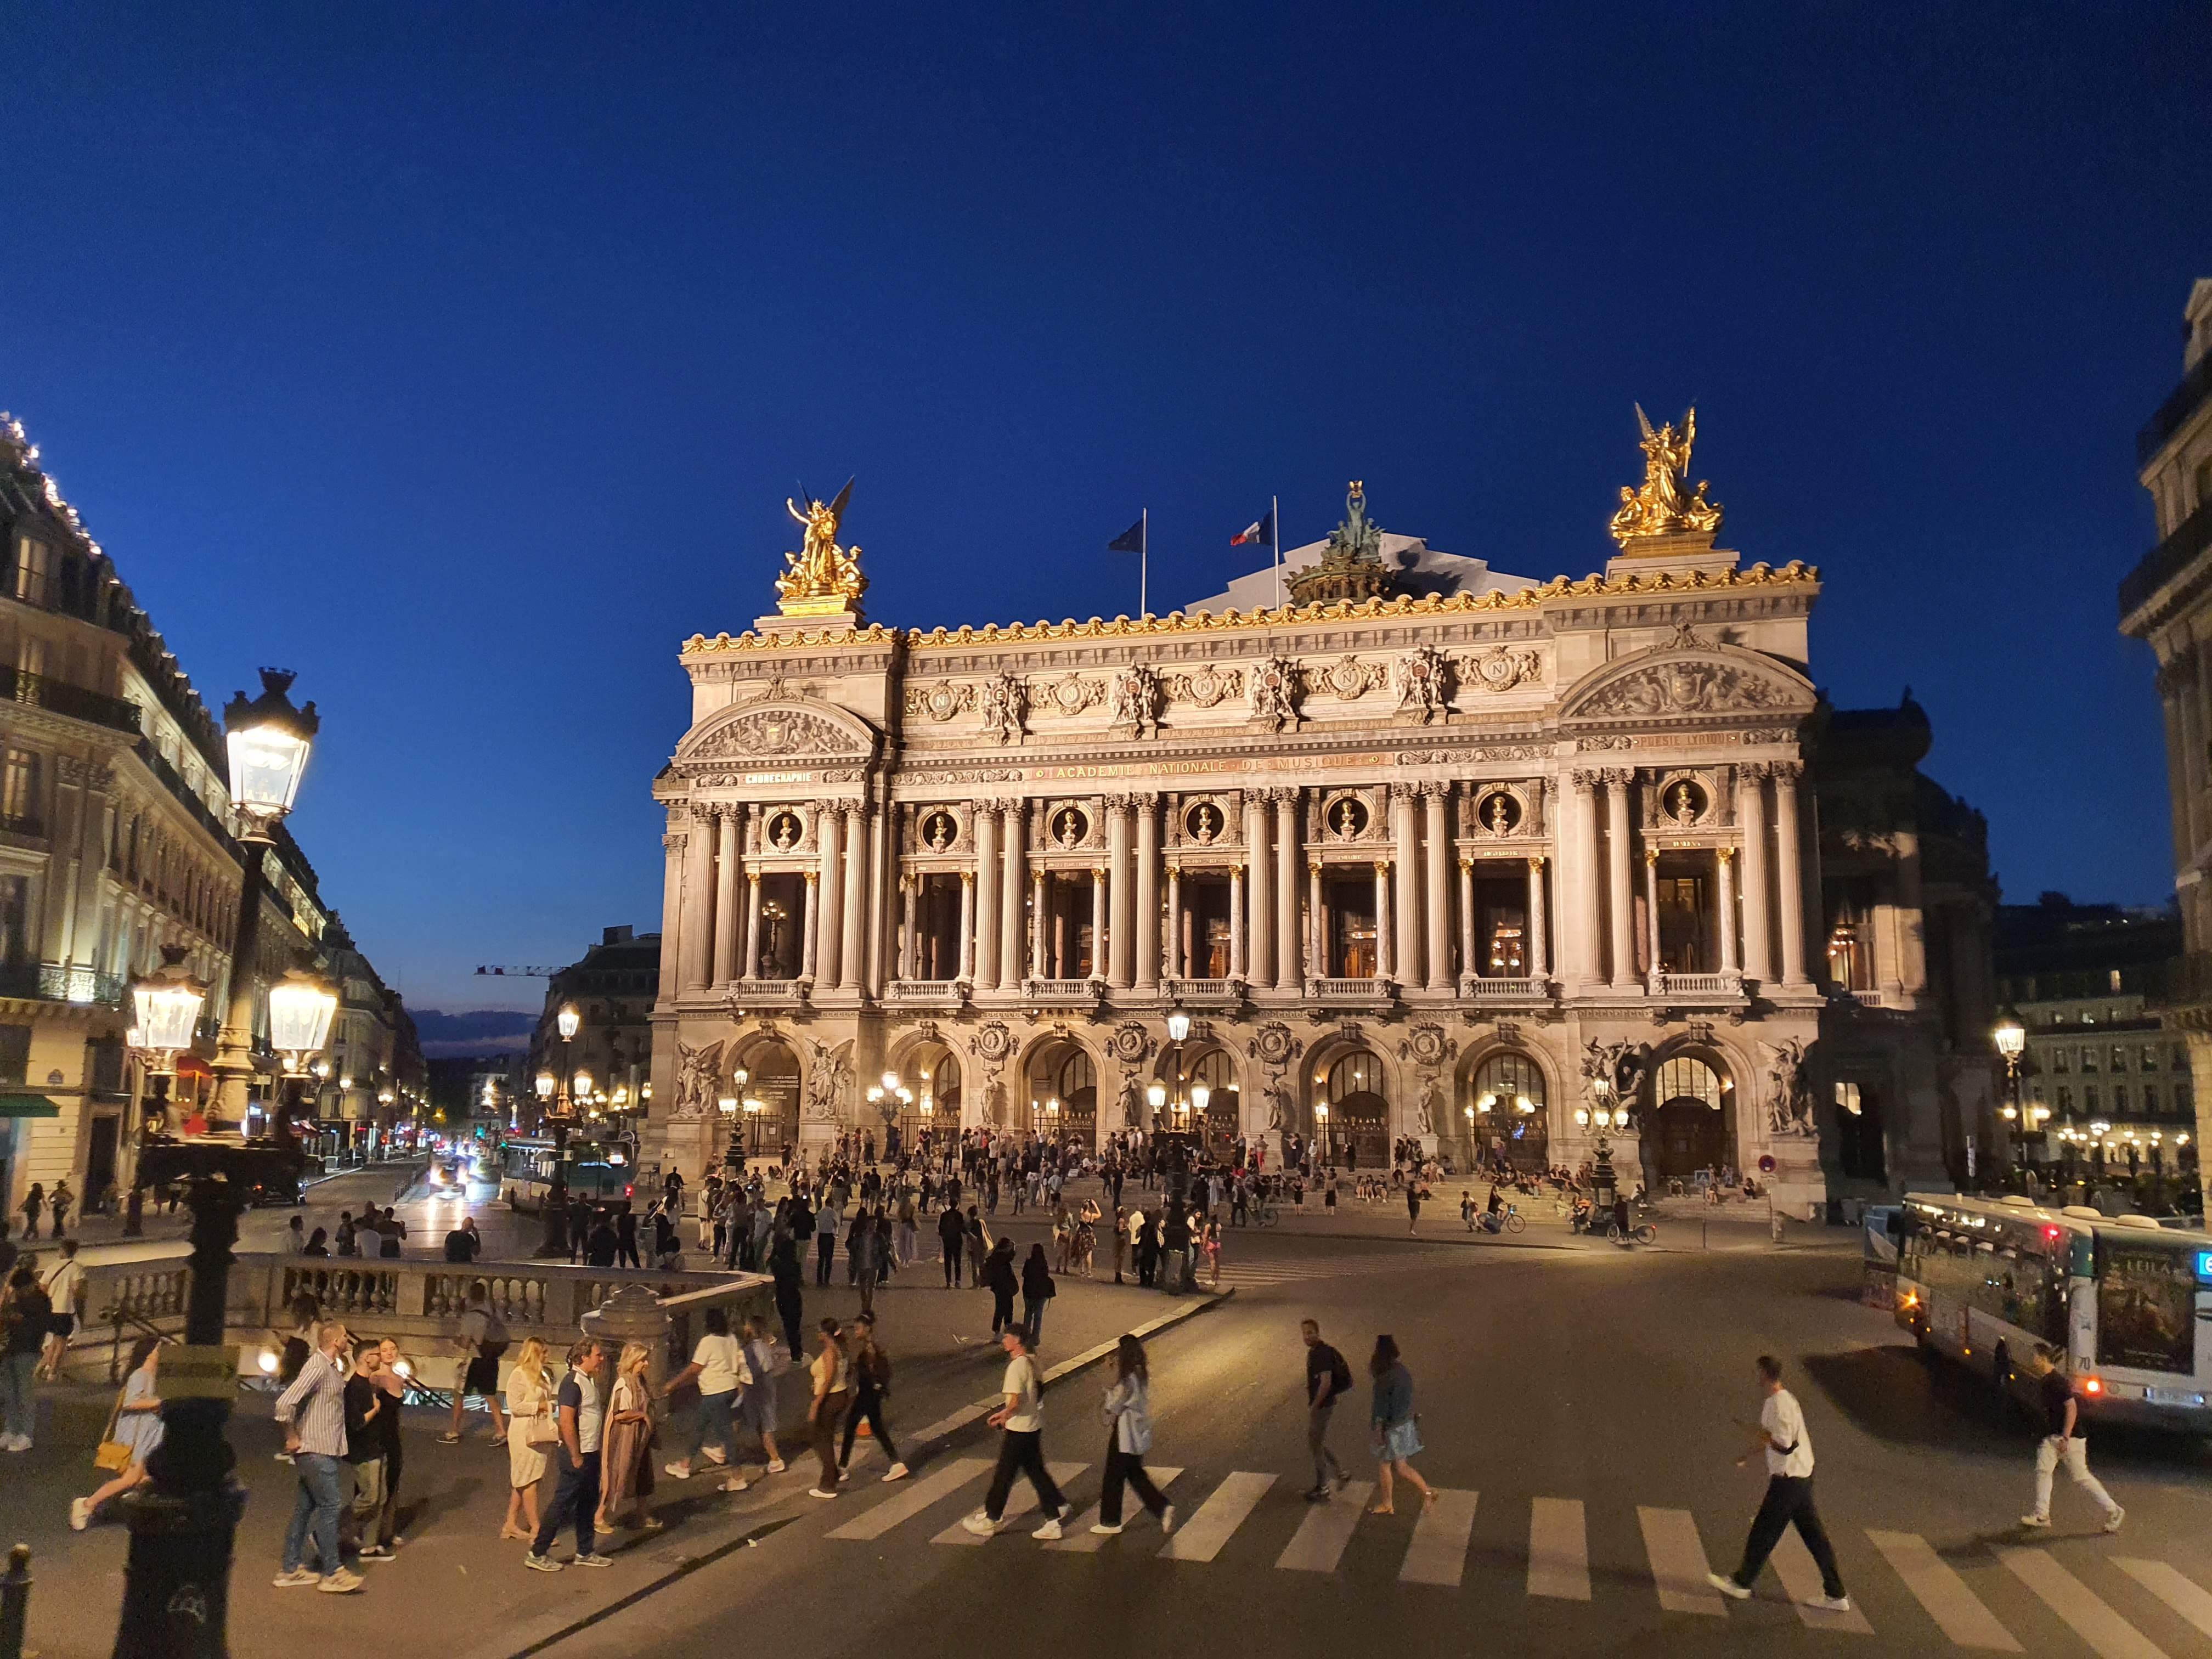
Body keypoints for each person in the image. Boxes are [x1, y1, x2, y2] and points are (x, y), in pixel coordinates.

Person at [1706, 1354, 1850, 1611]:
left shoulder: (1779, 1405)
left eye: (1758, 1372)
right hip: (1801, 1476)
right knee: (1814, 1537)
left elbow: (1784, 1444)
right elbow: (1774, 1440)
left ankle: (1741, 1583)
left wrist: (1767, 1440)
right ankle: (1836, 1594)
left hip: (1789, 1480)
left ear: (1764, 1374)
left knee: (1764, 1531)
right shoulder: (1785, 1399)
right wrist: (1749, 1454)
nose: (1757, 1376)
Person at [272, 1317, 362, 1594]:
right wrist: (291, 1436)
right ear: (335, 1341)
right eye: (345, 1337)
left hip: (323, 1449)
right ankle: (332, 1572)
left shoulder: (331, 1368)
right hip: (315, 1449)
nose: (348, 1341)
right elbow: (285, 1402)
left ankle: (290, 1568)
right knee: (332, 1506)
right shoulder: (318, 1366)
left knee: (305, 1509)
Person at [962, 1325, 1070, 1538]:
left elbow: (1015, 1402)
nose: (1004, 1341)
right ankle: (1058, 1506)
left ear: (1017, 1341)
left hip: (1020, 1428)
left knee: (1004, 1475)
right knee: (1036, 1472)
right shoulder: (1032, 1360)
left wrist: (1003, 1416)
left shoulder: (1016, 1367)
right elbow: (1036, 1393)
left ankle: (992, 1519)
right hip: (1032, 1424)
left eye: (1007, 1337)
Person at [526, 1338, 613, 1571]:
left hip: (590, 1451)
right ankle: (537, 1552)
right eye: (597, 1355)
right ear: (584, 1357)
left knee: (588, 1502)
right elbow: (566, 1421)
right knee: (562, 1503)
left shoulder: (586, 1381)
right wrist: (575, 1455)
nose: (601, 1359)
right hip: (578, 1453)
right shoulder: (572, 1383)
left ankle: (585, 1551)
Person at [2020, 1344, 2124, 1533]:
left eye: (2034, 1355)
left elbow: (2072, 1408)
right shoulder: (2047, 1380)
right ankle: (2042, 1515)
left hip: (2070, 1438)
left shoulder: (2056, 1382)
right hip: (2052, 1436)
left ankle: (2114, 1510)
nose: (2032, 1359)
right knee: (2043, 1470)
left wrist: (2066, 1437)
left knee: (2081, 1476)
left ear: (2043, 1358)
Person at [72, 1335, 163, 1528]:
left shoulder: (155, 1377)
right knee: (132, 1478)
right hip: (139, 1437)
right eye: (159, 1349)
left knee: (146, 1478)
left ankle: (141, 1513)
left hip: (149, 1435)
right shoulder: (141, 1375)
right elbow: (130, 1403)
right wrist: (158, 1403)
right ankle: (88, 1504)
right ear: (149, 1353)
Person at [1093, 1333, 1174, 1536]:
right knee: (1135, 1474)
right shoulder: (1140, 1373)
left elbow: (1114, 1404)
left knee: (1113, 1476)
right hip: (1136, 1432)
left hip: (1125, 1433)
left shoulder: (1127, 1379)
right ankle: (1161, 1507)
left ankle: (1111, 1521)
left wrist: (1107, 1384)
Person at [662, 1306, 749, 1481]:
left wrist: (673, 1384)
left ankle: (737, 1476)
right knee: (699, 1427)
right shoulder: (731, 1339)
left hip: (714, 1392)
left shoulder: (708, 1342)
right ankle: (685, 1464)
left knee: (725, 1433)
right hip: (730, 1388)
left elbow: (695, 1368)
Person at [838, 1310, 910, 1482]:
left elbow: (874, 1372)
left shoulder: (870, 1349)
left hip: (868, 1394)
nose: (856, 1332)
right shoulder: (869, 1347)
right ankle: (896, 1463)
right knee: (875, 1427)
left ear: (867, 1329)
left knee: (852, 1425)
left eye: (858, 1328)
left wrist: (875, 1386)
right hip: (870, 1393)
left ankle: (842, 1467)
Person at [1368, 1334, 1436, 1516]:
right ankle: (1428, 1492)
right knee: (1402, 1467)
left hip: (1393, 1429)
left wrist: (1380, 1431)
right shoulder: (1402, 1372)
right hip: (1405, 1424)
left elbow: (1382, 1408)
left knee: (1385, 1466)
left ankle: (1388, 1503)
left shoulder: (1384, 1378)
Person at [596, 1342, 659, 1533]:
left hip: (640, 1437)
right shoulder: (624, 1382)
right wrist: (642, 1415)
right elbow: (619, 1414)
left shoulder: (640, 1381)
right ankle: (599, 1516)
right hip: (623, 1438)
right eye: (643, 1360)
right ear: (633, 1361)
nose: (646, 1364)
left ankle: (642, 1514)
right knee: (616, 1474)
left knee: (643, 1474)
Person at [443, 1280, 510, 1446]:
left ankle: (454, 1431)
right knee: (490, 1395)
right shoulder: (493, 1312)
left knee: (459, 1394)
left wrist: (455, 1340)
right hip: (491, 1359)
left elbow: (466, 1344)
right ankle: (501, 1431)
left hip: (475, 1359)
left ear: (470, 1296)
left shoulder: (470, 1317)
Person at [501, 1336, 555, 1540]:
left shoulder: (542, 1375)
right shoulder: (519, 1375)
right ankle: (536, 1529)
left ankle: (511, 1523)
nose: (548, 1355)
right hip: (523, 1433)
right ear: (535, 1354)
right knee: (529, 1481)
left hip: (539, 1431)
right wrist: (538, 1407)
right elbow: (514, 1406)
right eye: (544, 1352)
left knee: (525, 1479)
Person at [365, 1338, 411, 1556]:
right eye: (385, 1350)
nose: (390, 1353)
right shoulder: (375, 1378)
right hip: (379, 1436)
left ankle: (388, 1532)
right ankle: (370, 1536)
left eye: (393, 1349)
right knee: (378, 1488)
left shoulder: (399, 1378)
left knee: (393, 1485)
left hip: (394, 1436)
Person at [729, 1314, 786, 1488]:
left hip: (758, 1391)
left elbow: (755, 1371)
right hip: (764, 1390)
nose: (745, 1328)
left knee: (757, 1424)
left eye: (747, 1325)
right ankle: (773, 1459)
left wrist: (742, 1384)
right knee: (762, 1426)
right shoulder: (762, 1345)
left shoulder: (754, 1348)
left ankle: (775, 1459)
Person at [1300, 1319, 1353, 1501]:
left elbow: (1326, 1382)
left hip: (1323, 1405)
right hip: (1324, 1404)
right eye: (1304, 1333)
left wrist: (1315, 1405)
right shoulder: (1317, 1351)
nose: (1307, 1336)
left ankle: (1322, 1486)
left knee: (1315, 1444)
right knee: (1317, 1442)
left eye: (1310, 1332)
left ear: (1318, 1333)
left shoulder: (1321, 1354)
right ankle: (1341, 1473)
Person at [1, 1262, 51, 1451]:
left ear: (30, 1285)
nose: (20, 1293)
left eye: (22, 1290)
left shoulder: (41, 1302)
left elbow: (37, 1328)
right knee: (10, 1393)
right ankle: (10, 1430)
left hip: (28, 1351)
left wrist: (17, 1319)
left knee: (25, 1394)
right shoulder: (18, 1301)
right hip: (10, 1350)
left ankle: (26, 1434)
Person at [805, 1318, 850, 1499]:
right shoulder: (841, 1349)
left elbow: (830, 1378)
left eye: (819, 1331)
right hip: (840, 1395)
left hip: (831, 1399)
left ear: (825, 1334)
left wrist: (817, 1403)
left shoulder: (830, 1353)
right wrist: (817, 1383)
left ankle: (828, 1484)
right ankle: (835, 1474)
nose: (817, 1334)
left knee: (820, 1439)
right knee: (825, 1437)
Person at [36, 1239, 81, 1381]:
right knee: (61, 1343)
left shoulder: (52, 1267)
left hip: (52, 1310)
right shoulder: (75, 1268)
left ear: (62, 1251)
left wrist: (51, 1295)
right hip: (65, 1310)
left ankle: (39, 1369)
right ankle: (52, 1372)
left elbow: (42, 1286)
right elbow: (77, 1288)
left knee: (55, 1341)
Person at [983, 1237, 1019, 1337]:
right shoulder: (1002, 1257)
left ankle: (997, 1330)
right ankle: (1006, 1328)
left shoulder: (995, 1256)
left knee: (1000, 1308)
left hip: (998, 1287)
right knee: (1007, 1310)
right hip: (1005, 1287)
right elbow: (1010, 1257)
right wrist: (1014, 1248)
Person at [1020, 1242, 1056, 1344]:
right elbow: (1045, 1274)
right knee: (1038, 1314)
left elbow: (1024, 1274)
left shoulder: (1029, 1262)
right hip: (1041, 1293)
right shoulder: (1043, 1262)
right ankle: (1035, 1337)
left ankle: (1025, 1336)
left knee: (1028, 1313)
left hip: (1028, 1292)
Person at [938, 1199, 966, 1288]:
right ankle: (958, 1281)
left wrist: (944, 1236)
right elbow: (963, 1228)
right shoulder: (959, 1215)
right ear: (957, 1205)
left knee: (948, 1261)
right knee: (958, 1261)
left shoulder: (944, 1215)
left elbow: (941, 1228)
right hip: (957, 1240)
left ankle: (949, 1281)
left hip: (948, 1240)